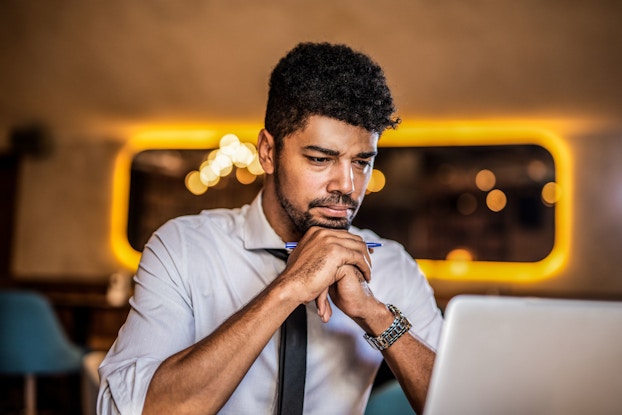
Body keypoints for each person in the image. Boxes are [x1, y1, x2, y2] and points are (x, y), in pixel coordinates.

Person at [98, 42, 443, 415]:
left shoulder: (393, 266)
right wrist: (286, 289)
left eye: (362, 162)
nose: (347, 184)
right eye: (320, 159)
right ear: (267, 152)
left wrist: (375, 315)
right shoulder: (182, 247)